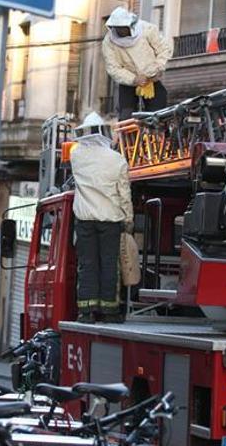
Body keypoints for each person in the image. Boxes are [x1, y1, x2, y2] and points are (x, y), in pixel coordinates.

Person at [69, 112, 133, 323]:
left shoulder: (76, 156)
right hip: (111, 219)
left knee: (87, 264)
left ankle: (86, 312)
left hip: (85, 219)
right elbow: (124, 194)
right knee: (109, 264)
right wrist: (128, 219)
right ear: (103, 133)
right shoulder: (117, 160)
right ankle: (110, 310)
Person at [101, 6, 173, 120]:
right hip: (128, 82)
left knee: (158, 114)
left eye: (122, 27)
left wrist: (156, 69)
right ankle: (130, 136)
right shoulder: (108, 42)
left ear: (129, 24)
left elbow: (164, 50)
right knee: (126, 116)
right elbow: (113, 68)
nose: (120, 31)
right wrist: (134, 79)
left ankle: (157, 135)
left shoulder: (148, 29)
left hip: (151, 79)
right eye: (117, 28)